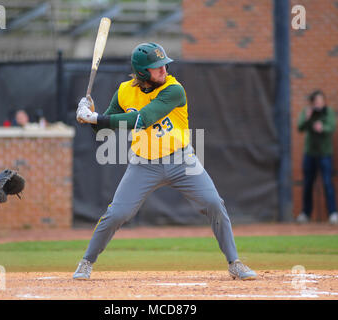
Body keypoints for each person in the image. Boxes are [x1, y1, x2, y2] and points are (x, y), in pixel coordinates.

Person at [73, 42, 257, 280]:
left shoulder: (174, 89)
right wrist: (89, 117)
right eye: (157, 67)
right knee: (117, 214)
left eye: (164, 65)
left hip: (182, 160)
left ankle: (235, 262)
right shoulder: (124, 91)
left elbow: (143, 119)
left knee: (213, 202)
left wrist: (96, 117)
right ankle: (86, 261)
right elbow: (103, 131)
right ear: (142, 72)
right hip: (144, 164)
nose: (164, 70)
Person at [296, 90, 338, 224]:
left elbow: (331, 126)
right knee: (308, 183)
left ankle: (332, 213)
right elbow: (300, 127)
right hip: (310, 153)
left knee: (327, 182)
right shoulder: (307, 111)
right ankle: (305, 213)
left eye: (320, 101)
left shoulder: (328, 112)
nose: (318, 103)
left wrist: (323, 127)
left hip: (325, 153)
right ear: (312, 102)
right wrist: (308, 118)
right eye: (316, 101)